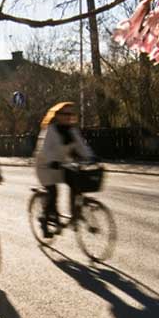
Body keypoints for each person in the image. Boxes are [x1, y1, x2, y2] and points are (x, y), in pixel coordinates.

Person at [34, 102, 95, 238]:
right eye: (65, 114)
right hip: (46, 166)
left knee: (76, 184)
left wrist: (91, 157)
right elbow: (44, 149)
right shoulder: (50, 130)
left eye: (71, 114)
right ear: (58, 116)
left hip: (62, 165)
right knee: (53, 193)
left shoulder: (72, 130)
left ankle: (74, 215)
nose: (69, 117)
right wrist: (52, 161)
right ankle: (44, 219)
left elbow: (81, 146)